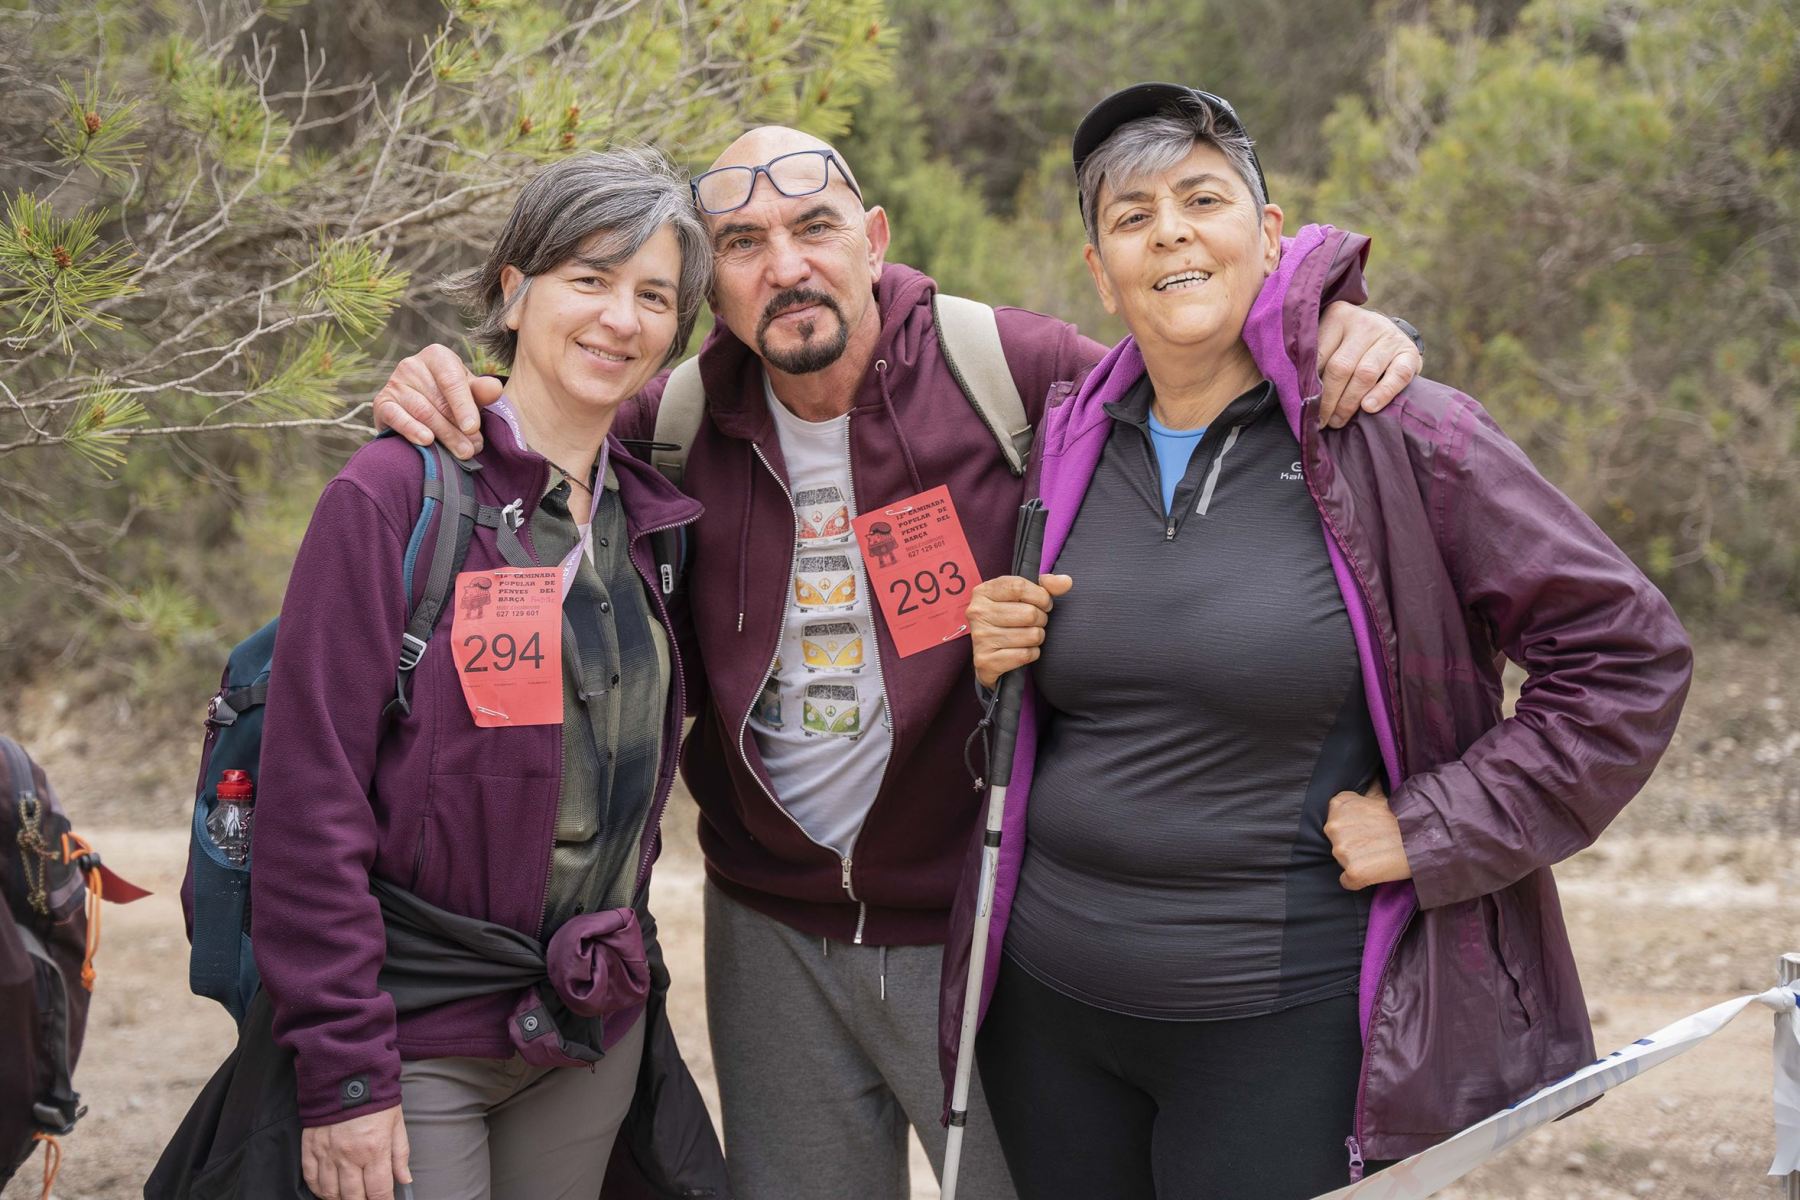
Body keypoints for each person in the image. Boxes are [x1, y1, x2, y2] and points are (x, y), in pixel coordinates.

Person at [370, 126, 1421, 1200]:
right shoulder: (671, 422)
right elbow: (544, 409)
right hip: (767, 931)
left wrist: (1333, 318)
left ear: (873, 239)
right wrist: (449, 384)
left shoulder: (1009, 371)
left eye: (815, 227)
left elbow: (1196, 352)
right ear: (708, 286)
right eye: (742, 244)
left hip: (976, 921)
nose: (787, 266)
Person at [946, 83, 1693, 1200]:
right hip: (1050, 1022)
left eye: (1203, 199)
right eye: (1133, 216)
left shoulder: (1397, 431)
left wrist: (1436, 827)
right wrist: (999, 656)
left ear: (1270, 234)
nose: (1171, 233)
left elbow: (1627, 657)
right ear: (1101, 272)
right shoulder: (1068, 437)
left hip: (1283, 1029)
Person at [252, 149, 712, 1200]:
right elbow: (309, 800)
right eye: (589, 278)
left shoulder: (653, 525)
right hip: (416, 1033)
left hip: (587, 1034)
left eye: (653, 297)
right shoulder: (393, 497)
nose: (620, 319)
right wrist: (344, 1073)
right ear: (514, 290)